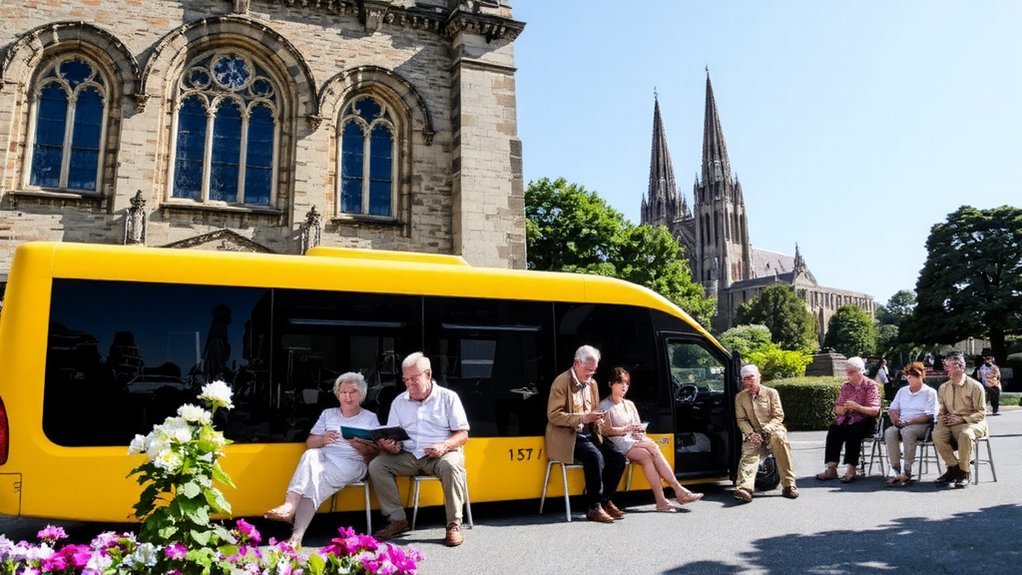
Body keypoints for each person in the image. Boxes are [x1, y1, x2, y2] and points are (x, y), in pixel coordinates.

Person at [264, 372, 380, 547]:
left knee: (313, 481)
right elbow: (310, 443)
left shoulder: (370, 418)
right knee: (311, 455)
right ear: (337, 394)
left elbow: (374, 453)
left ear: (362, 395)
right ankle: (293, 524)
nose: (348, 397)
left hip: (352, 463)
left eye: (353, 392)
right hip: (324, 459)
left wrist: (361, 446)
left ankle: (294, 526)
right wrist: (323, 440)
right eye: (344, 392)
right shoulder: (328, 414)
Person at [369, 352, 471, 546]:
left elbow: (463, 434)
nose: (410, 384)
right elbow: (393, 432)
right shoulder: (399, 401)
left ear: (428, 374)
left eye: (414, 379)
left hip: (441, 454)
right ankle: (398, 520)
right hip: (408, 454)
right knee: (377, 465)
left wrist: (444, 445)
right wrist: (390, 445)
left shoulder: (448, 398)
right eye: (405, 380)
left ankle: (454, 524)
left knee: (452, 465)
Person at [598, 367, 704, 512]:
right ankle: (676, 490)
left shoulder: (629, 404)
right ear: (611, 384)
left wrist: (640, 429)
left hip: (632, 439)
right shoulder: (605, 405)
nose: (624, 386)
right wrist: (627, 429)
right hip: (617, 442)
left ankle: (664, 499)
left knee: (648, 455)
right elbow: (606, 431)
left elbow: (637, 424)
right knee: (653, 448)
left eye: (627, 383)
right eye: (620, 382)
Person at [545, 345, 626, 523]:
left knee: (617, 456)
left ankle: (605, 500)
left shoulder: (593, 384)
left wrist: (598, 418)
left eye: (594, 371)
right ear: (576, 363)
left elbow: (594, 409)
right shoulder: (562, 381)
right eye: (588, 371)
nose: (591, 375)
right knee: (594, 456)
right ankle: (593, 506)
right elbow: (553, 415)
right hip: (568, 436)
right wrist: (583, 418)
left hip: (589, 433)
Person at [733, 364, 799, 503]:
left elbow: (778, 416)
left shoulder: (771, 393)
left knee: (780, 441)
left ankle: (788, 485)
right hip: (755, 432)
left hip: (773, 429)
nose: (749, 381)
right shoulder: (740, 397)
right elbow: (741, 419)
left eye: (751, 377)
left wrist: (767, 429)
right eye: (745, 379)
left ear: (759, 377)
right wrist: (751, 434)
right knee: (749, 452)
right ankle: (745, 488)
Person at [815, 356, 881, 483]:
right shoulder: (845, 386)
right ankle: (831, 468)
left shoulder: (870, 385)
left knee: (853, 431)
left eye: (851, 372)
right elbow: (836, 407)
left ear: (861, 371)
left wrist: (858, 407)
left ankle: (851, 468)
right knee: (834, 429)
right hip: (846, 419)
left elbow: (875, 411)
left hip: (865, 420)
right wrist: (841, 409)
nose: (848, 375)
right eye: (847, 372)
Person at [932, 351, 988, 488]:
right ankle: (953, 468)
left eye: (949, 366)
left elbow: (981, 413)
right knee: (937, 434)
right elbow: (941, 409)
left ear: (959, 366)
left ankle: (964, 472)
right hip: (951, 422)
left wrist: (962, 419)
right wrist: (943, 418)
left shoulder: (975, 386)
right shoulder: (944, 387)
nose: (946, 369)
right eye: (946, 365)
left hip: (973, 422)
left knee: (965, 434)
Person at [883, 362, 938, 486]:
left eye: (915, 376)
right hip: (902, 423)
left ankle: (907, 471)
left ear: (922, 376)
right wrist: (895, 418)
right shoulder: (902, 391)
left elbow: (930, 415)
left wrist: (910, 422)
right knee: (890, 432)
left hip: (921, 425)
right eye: (909, 376)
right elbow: (893, 409)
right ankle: (896, 470)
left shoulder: (930, 392)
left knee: (908, 432)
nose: (911, 379)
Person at [976, 349, 1002, 416]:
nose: (989, 360)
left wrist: (996, 382)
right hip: (985, 385)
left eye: (990, 358)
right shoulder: (980, 367)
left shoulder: (995, 367)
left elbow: (998, 376)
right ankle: (984, 409)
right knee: (985, 396)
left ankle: (995, 410)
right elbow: (979, 377)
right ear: (984, 359)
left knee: (995, 395)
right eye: (987, 358)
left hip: (994, 384)